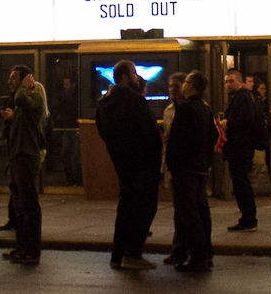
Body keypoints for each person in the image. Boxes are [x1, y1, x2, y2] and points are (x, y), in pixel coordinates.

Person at [96, 60, 163, 270]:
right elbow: (151, 134)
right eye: (134, 74)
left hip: (121, 161)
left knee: (125, 206)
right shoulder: (134, 101)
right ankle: (133, 253)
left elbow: (102, 131)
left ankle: (118, 254)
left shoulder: (105, 103)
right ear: (125, 77)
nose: (137, 77)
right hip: (142, 163)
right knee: (144, 207)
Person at [166, 70, 218, 273]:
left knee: (189, 214)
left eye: (186, 81)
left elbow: (178, 141)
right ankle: (206, 252)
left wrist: (173, 163)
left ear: (193, 86)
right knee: (201, 211)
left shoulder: (187, 108)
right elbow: (212, 135)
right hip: (200, 168)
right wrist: (205, 160)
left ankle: (198, 257)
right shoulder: (204, 108)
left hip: (185, 169)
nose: (183, 84)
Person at [1, 64, 45, 265]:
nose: (10, 81)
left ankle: (32, 249)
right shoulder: (21, 105)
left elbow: (20, 98)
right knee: (19, 207)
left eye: (14, 78)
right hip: (17, 158)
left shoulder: (35, 99)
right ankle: (21, 246)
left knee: (29, 206)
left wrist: (26, 86)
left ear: (25, 80)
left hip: (26, 158)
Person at [220, 68, 262, 233]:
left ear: (239, 82)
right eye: (226, 81)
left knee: (241, 184)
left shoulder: (242, 97)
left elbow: (246, 120)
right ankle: (247, 218)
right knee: (241, 184)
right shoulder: (239, 97)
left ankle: (249, 219)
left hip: (240, 148)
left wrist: (228, 123)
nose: (228, 84)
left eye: (231, 81)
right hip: (240, 148)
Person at [52, 75, 82, 186]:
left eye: (67, 84)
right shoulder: (64, 95)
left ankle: (76, 180)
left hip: (74, 127)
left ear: (73, 85)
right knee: (65, 153)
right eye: (64, 84)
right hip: (67, 127)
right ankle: (70, 179)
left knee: (75, 155)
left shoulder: (77, 96)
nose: (65, 86)